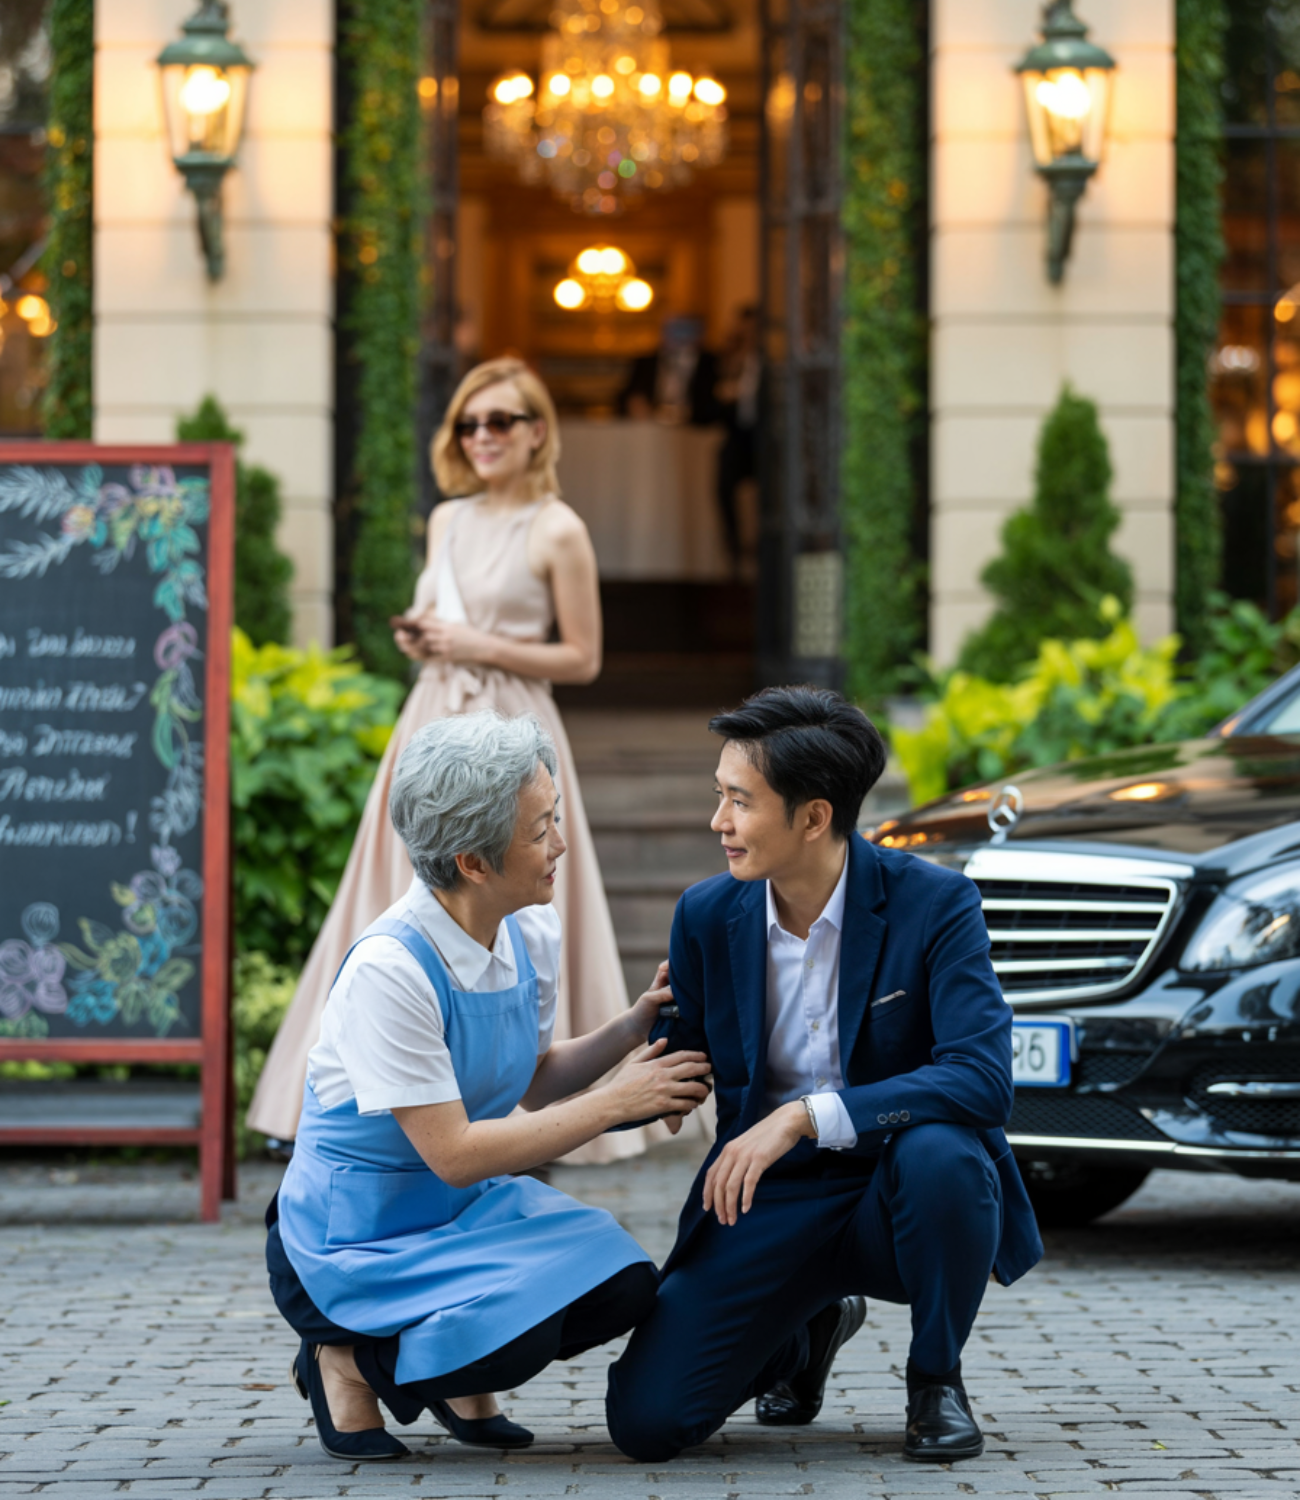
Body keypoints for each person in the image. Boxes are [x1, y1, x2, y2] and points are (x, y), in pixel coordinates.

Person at [605, 686, 1044, 1464]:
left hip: (894, 1188)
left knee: (944, 1151)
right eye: (719, 798)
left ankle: (935, 1376)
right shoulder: (708, 914)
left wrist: (805, 1114)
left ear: (813, 817)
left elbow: (982, 1080)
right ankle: (805, 1335)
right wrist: (642, 1080)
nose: (719, 823)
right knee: (647, 1423)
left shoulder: (934, 903)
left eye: (739, 802)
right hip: (763, 1195)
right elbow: (688, 1054)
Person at [267, 713, 712, 1461]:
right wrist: (613, 1104)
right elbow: (456, 1153)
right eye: (542, 831)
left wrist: (631, 1029)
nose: (561, 845)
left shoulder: (527, 929)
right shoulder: (391, 970)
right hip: (357, 1236)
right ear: (473, 861)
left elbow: (531, 1081)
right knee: (518, 1333)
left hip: (460, 1213)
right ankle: (342, 1359)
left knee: (623, 1285)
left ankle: (448, 1363)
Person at [247, 357, 639, 1162]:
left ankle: (522, 1092)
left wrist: (474, 643)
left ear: (536, 432)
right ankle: (379, 1089)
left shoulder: (558, 527)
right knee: (402, 891)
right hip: (432, 715)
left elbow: (585, 657)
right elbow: (444, 616)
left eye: (500, 421)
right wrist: (426, 637)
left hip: (514, 723)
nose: (482, 437)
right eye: (469, 423)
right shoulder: (447, 520)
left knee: (519, 890)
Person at [714, 304, 760, 572]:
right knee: (724, 489)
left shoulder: (774, 358)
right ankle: (732, 550)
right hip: (738, 434)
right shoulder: (733, 359)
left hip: (765, 437)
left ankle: (763, 546)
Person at [618, 315, 720, 426]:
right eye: (674, 329)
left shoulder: (712, 362)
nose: (680, 335)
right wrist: (634, 403)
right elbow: (628, 394)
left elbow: (717, 401)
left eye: (686, 330)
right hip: (650, 425)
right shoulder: (645, 361)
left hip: (697, 428)